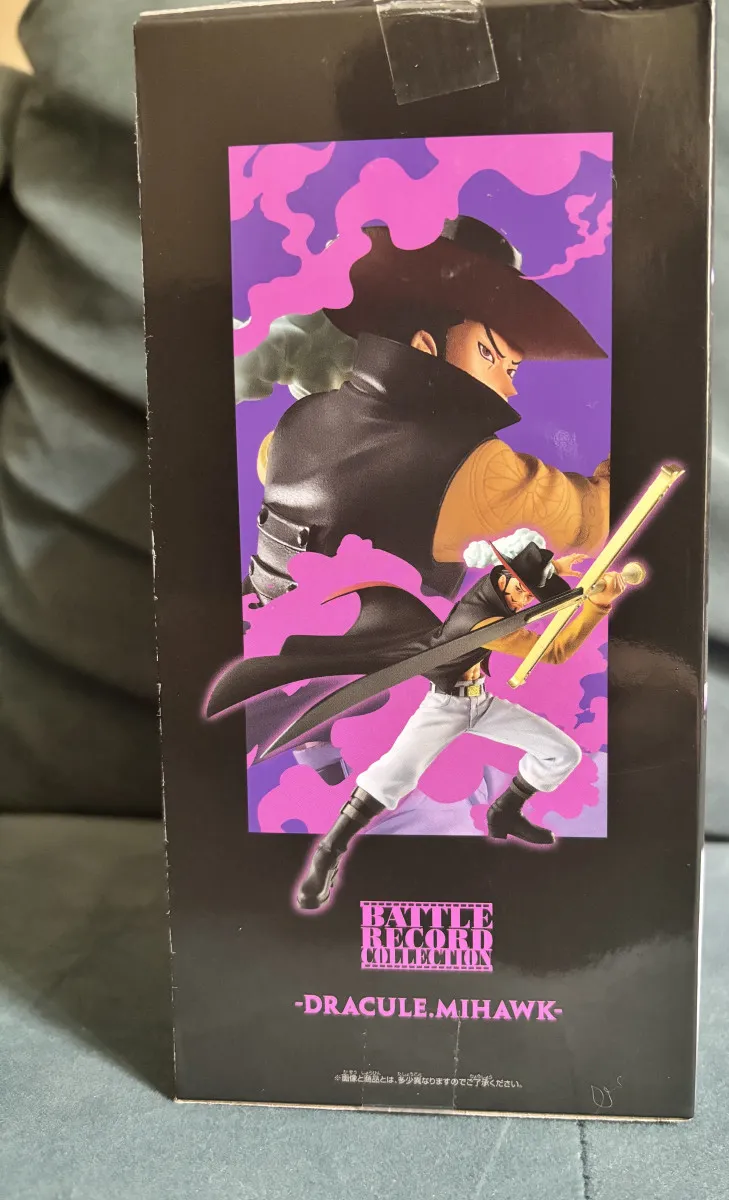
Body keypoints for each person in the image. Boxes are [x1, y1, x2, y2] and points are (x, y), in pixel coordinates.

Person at [214, 542, 632, 911]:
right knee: (393, 775)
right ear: (503, 577)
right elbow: (554, 651)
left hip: (482, 702)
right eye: (521, 589)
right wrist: (597, 606)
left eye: (529, 592)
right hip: (446, 706)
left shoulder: (498, 587)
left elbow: (538, 593)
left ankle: (505, 813)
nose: (524, 599)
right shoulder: (482, 622)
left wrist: (555, 572)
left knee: (562, 752)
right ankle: (328, 852)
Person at [246, 215, 611, 604]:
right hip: (379, 647)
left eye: (512, 369)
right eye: (488, 355)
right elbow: (594, 519)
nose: (510, 387)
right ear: (425, 347)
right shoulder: (476, 469)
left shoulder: (287, 430)